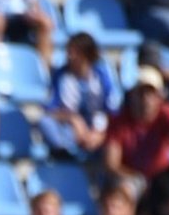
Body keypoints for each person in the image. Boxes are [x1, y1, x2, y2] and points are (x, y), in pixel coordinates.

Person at [104, 65, 169, 199]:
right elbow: (111, 163)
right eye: (141, 92)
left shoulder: (167, 115)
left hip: (162, 178)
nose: (146, 99)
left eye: (151, 93)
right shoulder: (119, 121)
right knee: (125, 189)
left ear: (159, 97)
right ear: (133, 94)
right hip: (132, 177)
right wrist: (138, 178)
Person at [38, 31, 122, 160]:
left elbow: (112, 110)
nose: (70, 56)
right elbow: (49, 110)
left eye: (75, 52)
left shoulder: (102, 75)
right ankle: (64, 154)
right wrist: (73, 119)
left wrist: (99, 132)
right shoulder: (61, 76)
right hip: (70, 128)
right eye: (69, 51)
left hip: (99, 129)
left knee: (117, 132)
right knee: (45, 123)